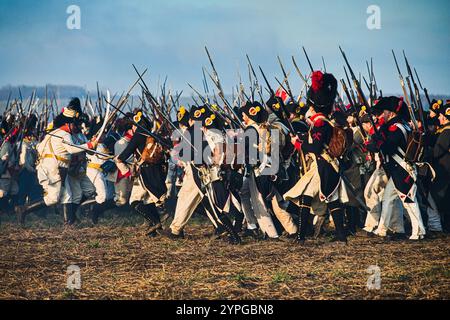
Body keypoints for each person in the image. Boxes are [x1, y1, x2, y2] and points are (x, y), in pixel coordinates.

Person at [285, 70, 349, 244]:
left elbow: (315, 147)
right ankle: (341, 236)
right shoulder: (320, 122)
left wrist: (298, 144)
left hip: (323, 166)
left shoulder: (320, 123)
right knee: (331, 200)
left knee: (309, 195)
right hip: (322, 167)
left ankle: (301, 237)